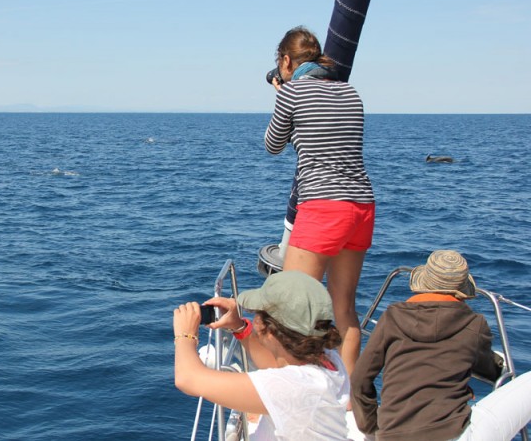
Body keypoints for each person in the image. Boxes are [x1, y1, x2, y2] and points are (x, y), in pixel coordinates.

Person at [264, 26, 375, 376]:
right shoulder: (350, 92)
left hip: (322, 205)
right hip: (361, 206)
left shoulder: (291, 93)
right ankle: (351, 399)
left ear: (286, 61)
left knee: (290, 309)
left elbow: (272, 145)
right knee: (344, 307)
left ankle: (298, 392)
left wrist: (281, 96)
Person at [173, 271, 351, 440]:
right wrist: (239, 327)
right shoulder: (327, 359)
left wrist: (185, 335)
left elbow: (188, 379)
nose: (254, 317)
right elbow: (275, 366)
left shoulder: (292, 388)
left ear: (270, 331)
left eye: (257, 313)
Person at [351, 250, 506, 440]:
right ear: (463, 291)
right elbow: (489, 370)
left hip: (391, 433)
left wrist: (370, 426)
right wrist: (499, 365)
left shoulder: (392, 317)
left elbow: (359, 380)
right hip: (450, 432)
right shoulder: (475, 325)